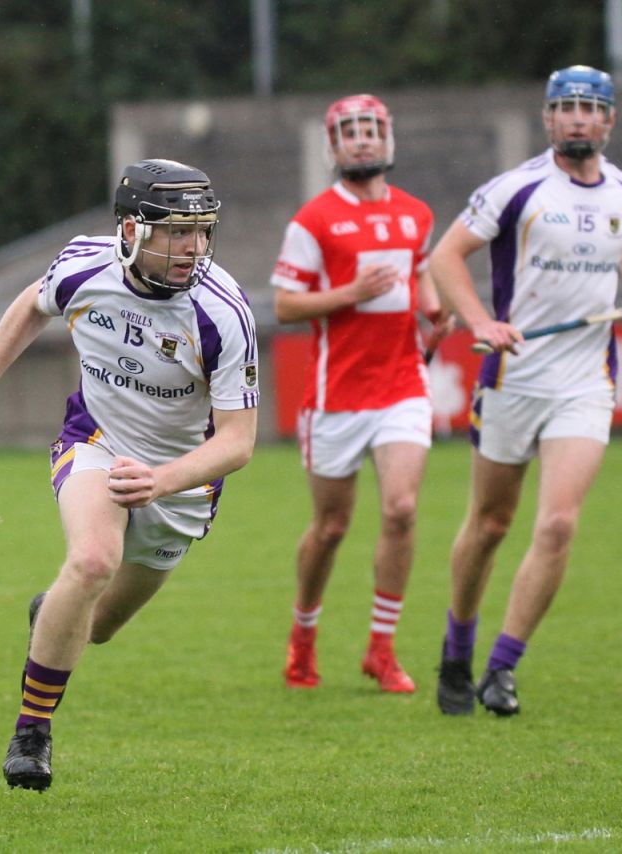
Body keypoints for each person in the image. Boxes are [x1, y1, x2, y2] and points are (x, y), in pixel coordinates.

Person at [0, 159, 259, 791]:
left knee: (98, 625)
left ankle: (52, 614)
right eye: (175, 232)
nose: (193, 247)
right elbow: (31, 306)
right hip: (96, 442)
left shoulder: (222, 314)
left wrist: (162, 482)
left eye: (202, 231)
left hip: (181, 481)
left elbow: (239, 442)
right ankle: (32, 732)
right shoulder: (84, 265)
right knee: (91, 561)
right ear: (131, 230)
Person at [429, 66, 622, 716]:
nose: (579, 118)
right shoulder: (516, 189)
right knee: (491, 525)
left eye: (591, 108)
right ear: (548, 120)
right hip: (513, 378)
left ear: (610, 121)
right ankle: (458, 644)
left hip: (586, 381)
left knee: (557, 524)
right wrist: (480, 322)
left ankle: (502, 667)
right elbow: (444, 258)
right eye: (566, 108)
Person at [271, 94, 452, 694]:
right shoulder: (314, 220)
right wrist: (349, 292)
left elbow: (420, 269)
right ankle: (303, 636)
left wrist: (432, 307)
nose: (362, 140)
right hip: (335, 396)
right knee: (331, 528)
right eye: (349, 131)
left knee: (401, 510)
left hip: (402, 383)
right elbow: (285, 304)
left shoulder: (415, 214)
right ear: (333, 145)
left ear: (388, 138)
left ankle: (381, 649)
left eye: (372, 129)